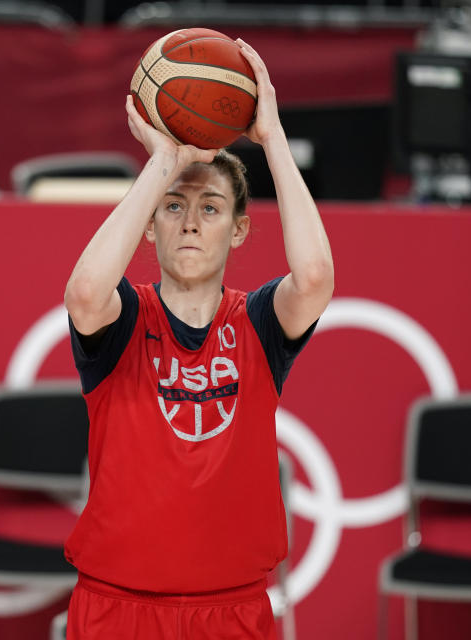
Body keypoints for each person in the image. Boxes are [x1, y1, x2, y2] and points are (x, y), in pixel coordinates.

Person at [63, 39, 334, 639]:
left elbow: (314, 278)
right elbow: (83, 292)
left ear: (239, 231)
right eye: (173, 207)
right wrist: (162, 161)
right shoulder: (124, 318)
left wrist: (273, 139)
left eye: (210, 208)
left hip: (231, 611)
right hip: (116, 607)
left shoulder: (260, 323)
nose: (189, 220)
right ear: (150, 221)